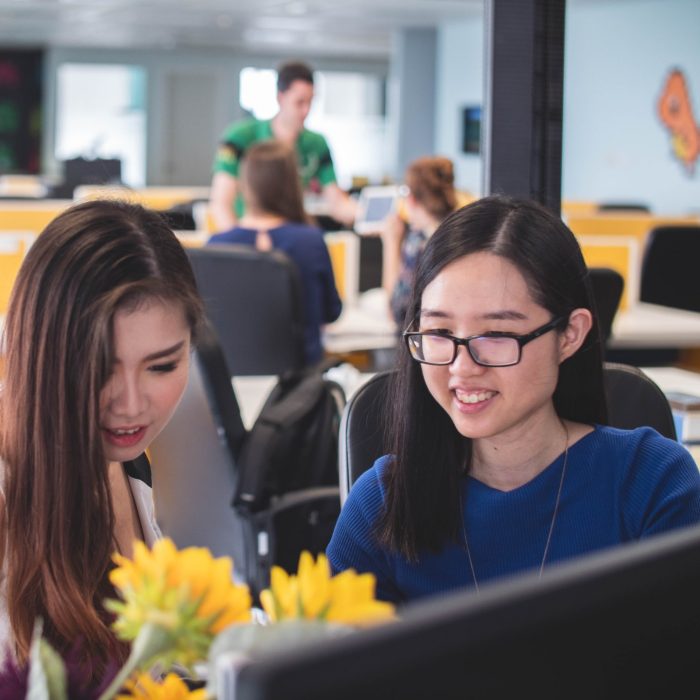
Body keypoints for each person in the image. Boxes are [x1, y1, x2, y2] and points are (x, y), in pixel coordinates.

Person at [327, 195, 700, 605]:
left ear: (570, 335)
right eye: (439, 333)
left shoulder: (651, 482)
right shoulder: (382, 501)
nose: (463, 366)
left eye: (497, 335)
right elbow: (326, 658)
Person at [0, 200, 204, 683]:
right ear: (39, 351)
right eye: (99, 367)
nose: (131, 404)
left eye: (162, 366)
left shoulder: (125, 461)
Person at [208, 139, 342, 366]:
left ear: (245, 186)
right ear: (292, 186)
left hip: (232, 380)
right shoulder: (311, 241)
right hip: (301, 384)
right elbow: (331, 312)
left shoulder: (216, 246)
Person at [209, 60, 357, 231]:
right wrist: (239, 246)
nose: (306, 111)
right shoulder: (240, 137)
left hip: (291, 236)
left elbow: (337, 203)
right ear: (280, 98)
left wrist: (369, 216)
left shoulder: (317, 143)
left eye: (311, 102)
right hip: (248, 233)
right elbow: (221, 203)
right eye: (299, 102)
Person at [380, 156, 457, 326]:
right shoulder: (460, 234)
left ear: (412, 199)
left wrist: (391, 244)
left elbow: (397, 312)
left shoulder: (419, 243)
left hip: (419, 345)